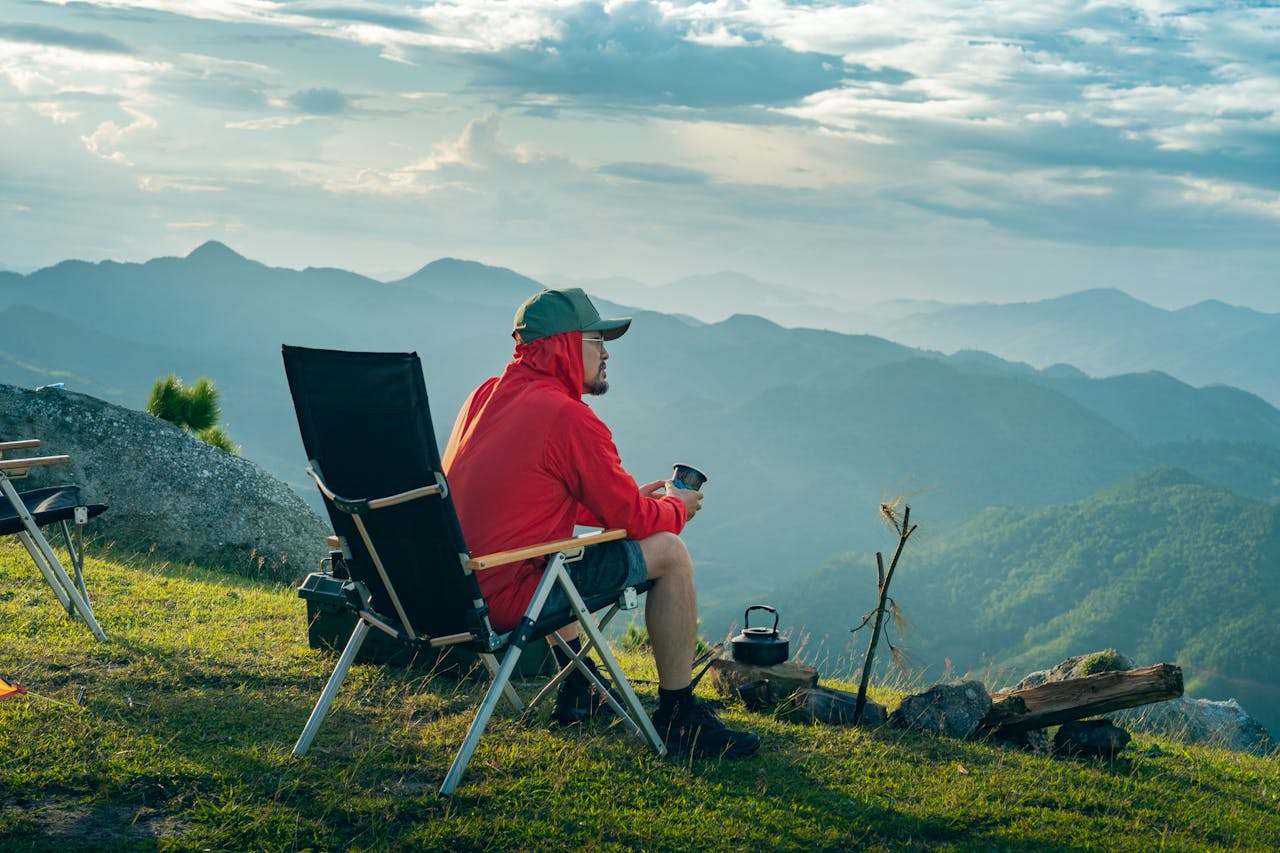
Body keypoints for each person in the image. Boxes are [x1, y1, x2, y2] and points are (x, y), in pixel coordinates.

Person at [442, 287, 760, 759]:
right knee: (670, 553)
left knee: (561, 548)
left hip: (448, 592)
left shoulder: (486, 396)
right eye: (597, 340)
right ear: (564, 345)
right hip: (504, 599)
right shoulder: (566, 417)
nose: (607, 353)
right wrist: (676, 508)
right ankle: (678, 716)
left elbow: (526, 492)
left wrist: (626, 500)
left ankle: (580, 688)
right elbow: (635, 522)